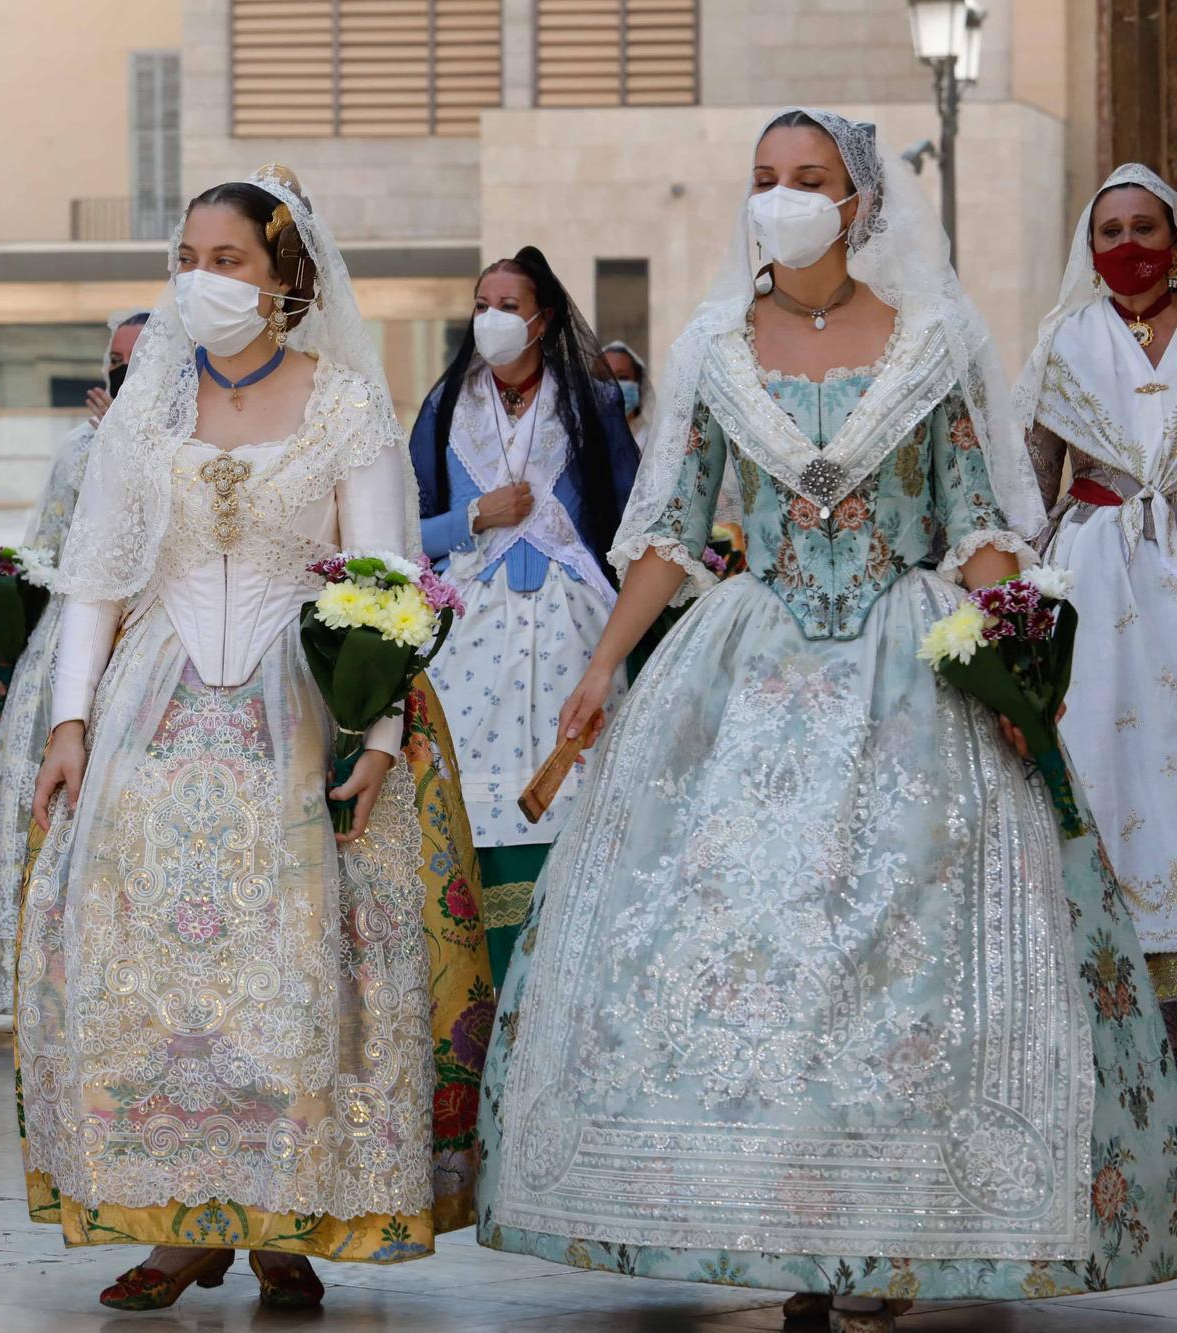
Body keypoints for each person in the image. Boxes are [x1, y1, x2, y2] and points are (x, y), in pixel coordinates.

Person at [473, 109, 1177, 1333]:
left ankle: (893, 1235)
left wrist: (1014, 645)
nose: (782, 198)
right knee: (758, 946)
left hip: (907, 672)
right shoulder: (709, 348)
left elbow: (977, 518)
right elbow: (667, 527)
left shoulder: (930, 341)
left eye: (807, 179)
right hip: (745, 667)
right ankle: (794, 1224)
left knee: (894, 947)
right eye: (762, 180)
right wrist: (598, 669)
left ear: (856, 204)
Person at [21, 165, 492, 1313]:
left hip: (303, 711)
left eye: (224, 260)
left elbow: (385, 581)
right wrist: (70, 722)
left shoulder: (341, 401)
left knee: (297, 963)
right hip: (155, 708)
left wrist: (376, 732)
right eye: (186, 258)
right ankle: (179, 1222)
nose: (199, 279)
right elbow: (93, 577)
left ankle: (287, 1211)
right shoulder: (150, 407)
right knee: (160, 965)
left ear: (285, 276)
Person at [407, 254, 637, 982]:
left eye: (509, 303)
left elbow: (634, 520)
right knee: (468, 809)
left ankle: (565, 977)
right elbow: (402, 532)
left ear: (543, 319)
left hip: (575, 633)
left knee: (576, 810)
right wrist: (476, 515)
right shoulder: (446, 410)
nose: (492, 317)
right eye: (482, 303)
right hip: (469, 635)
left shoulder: (590, 408)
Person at [1017, 164, 1177, 1043]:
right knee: (1103, 766)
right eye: (1110, 232)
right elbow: (1031, 484)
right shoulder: (1063, 340)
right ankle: (1107, 970)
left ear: (1173, 239)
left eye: (1145, 228)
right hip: (1093, 583)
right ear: (1090, 247)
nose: (1128, 247)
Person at [0, 308, 148, 1020]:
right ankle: (27, 970)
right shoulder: (75, 446)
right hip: (64, 641)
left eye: (140, 359)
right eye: (115, 361)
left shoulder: (183, 443)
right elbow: (41, 550)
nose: (124, 373)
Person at [600, 339, 654, 437]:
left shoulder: (653, 439)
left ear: (638, 383)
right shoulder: (584, 442)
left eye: (623, 378)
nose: (614, 386)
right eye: (605, 377)